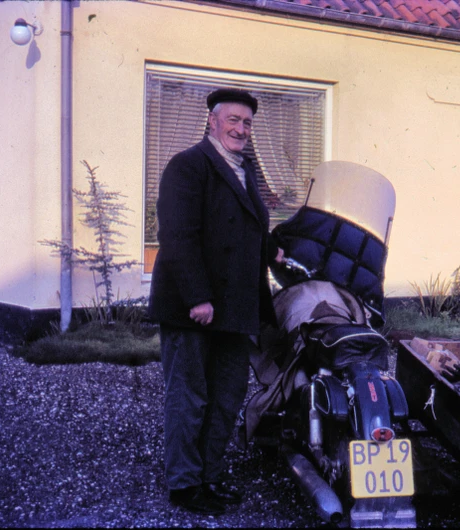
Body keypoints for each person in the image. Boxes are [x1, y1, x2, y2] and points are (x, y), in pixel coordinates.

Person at [148, 88, 283, 515]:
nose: (241, 129)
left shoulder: (245, 170)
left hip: (235, 307)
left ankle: (208, 474)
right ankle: (184, 486)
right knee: (189, 397)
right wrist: (198, 298)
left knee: (226, 398)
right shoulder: (188, 166)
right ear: (212, 120)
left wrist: (270, 250)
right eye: (233, 120)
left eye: (247, 123)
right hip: (196, 307)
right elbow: (176, 236)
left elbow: (242, 231)